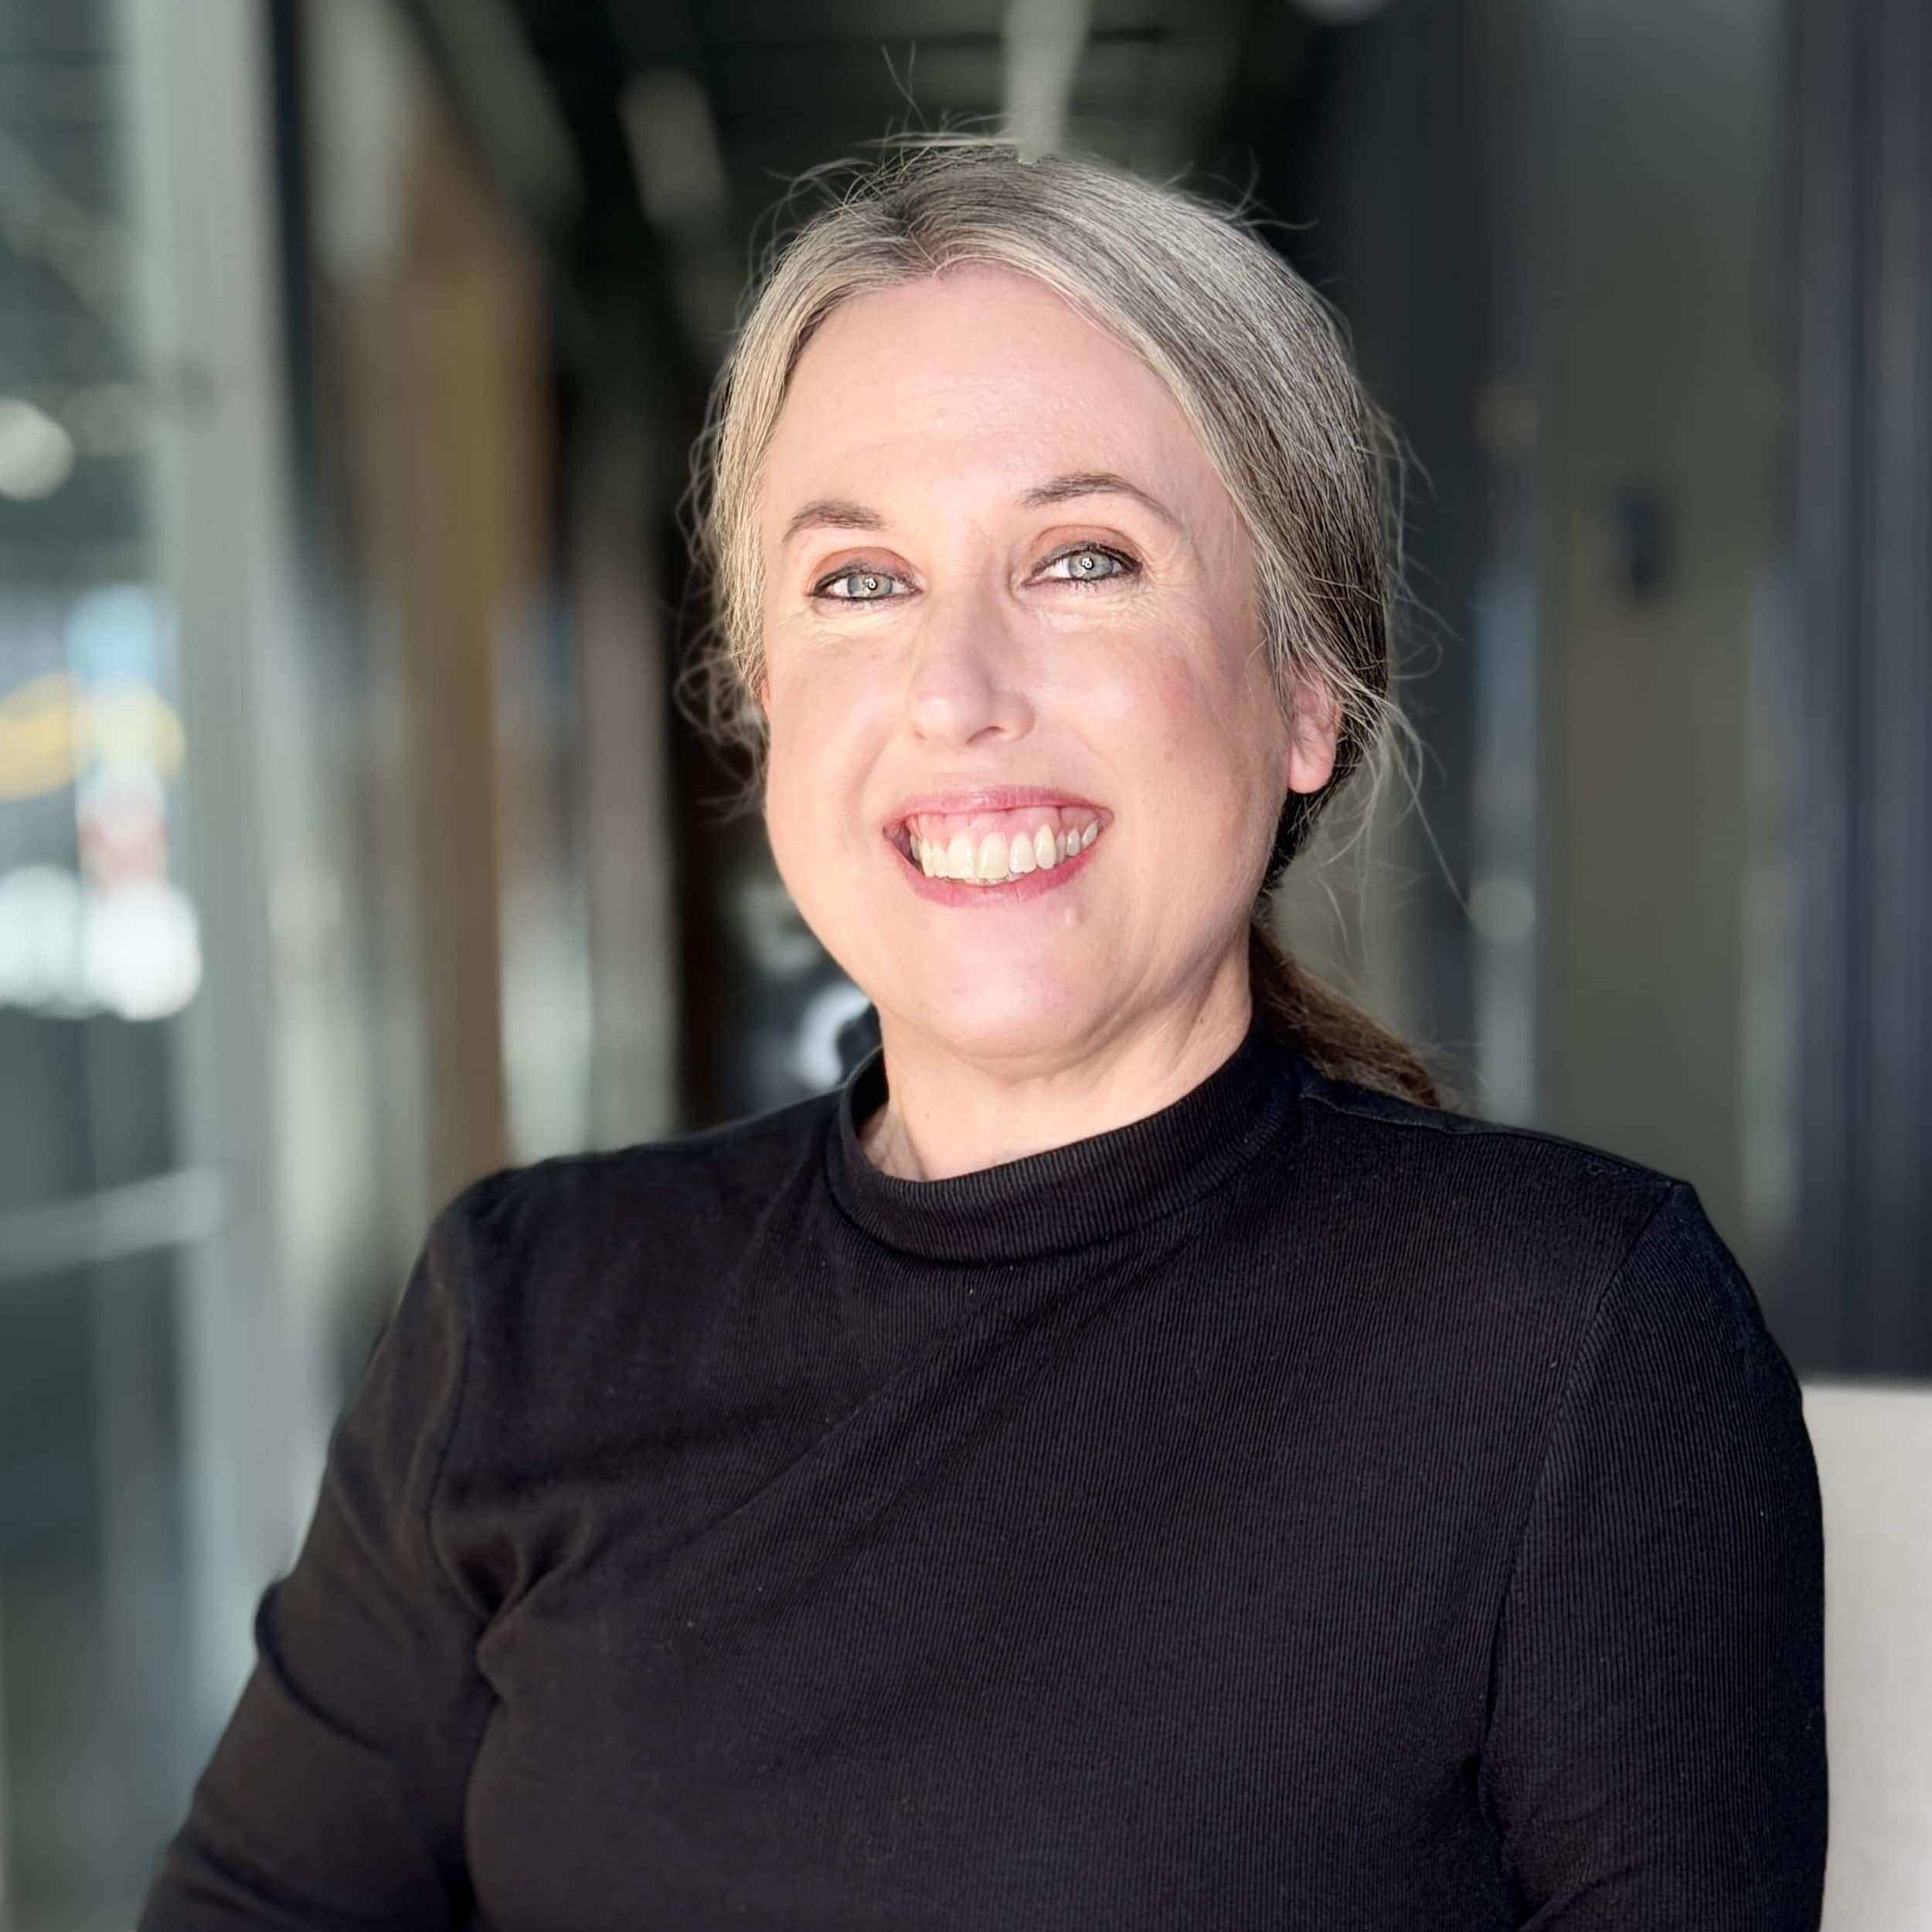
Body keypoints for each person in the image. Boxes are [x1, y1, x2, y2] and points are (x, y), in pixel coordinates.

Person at [139, 142, 1826, 1930]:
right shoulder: (526, 1302)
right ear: (765, 698)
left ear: (1304, 695)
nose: (955, 691)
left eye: (1080, 557)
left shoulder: (1567, 1333)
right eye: (856, 582)